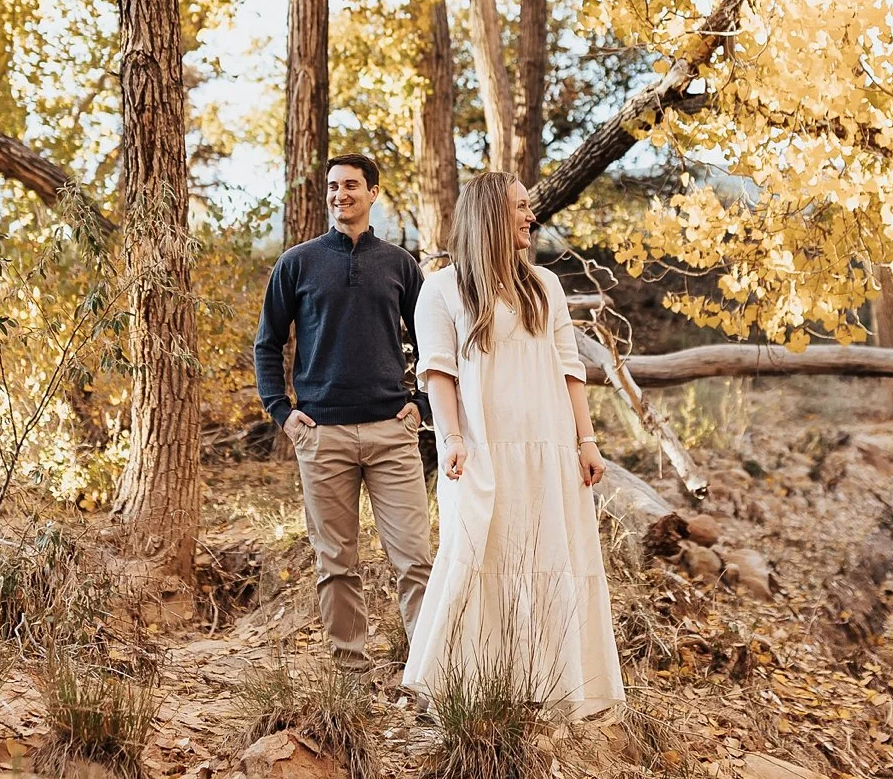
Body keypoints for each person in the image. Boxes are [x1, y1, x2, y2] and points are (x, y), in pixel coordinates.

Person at [402, 172, 625, 719]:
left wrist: (587, 441)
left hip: (549, 451)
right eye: (521, 207)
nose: (531, 215)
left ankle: (547, 690)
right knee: (477, 556)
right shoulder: (442, 288)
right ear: (489, 216)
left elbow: (572, 369)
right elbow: (438, 373)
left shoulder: (544, 285)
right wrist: (452, 438)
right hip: (482, 452)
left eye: (530, 207)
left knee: (550, 560)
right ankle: (467, 691)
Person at [253, 153, 433, 668]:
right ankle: (350, 672)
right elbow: (268, 344)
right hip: (321, 434)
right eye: (333, 187)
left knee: (415, 561)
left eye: (351, 185)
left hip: (391, 432)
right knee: (336, 564)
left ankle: (423, 670)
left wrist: (418, 404)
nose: (340, 195)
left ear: (373, 193)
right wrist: (281, 412)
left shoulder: (400, 264)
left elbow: (432, 344)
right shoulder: (298, 263)